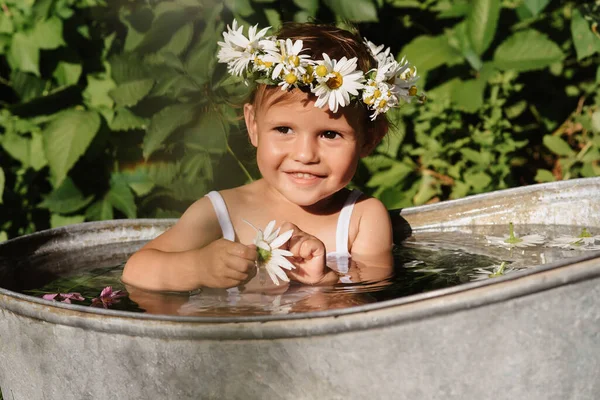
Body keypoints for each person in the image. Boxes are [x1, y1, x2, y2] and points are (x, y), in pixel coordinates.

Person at [122, 20, 421, 293]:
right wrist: (197, 267)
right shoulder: (222, 211)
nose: (305, 155)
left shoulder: (361, 217)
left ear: (369, 140)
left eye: (329, 134)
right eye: (283, 129)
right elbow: (136, 269)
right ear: (253, 126)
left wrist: (324, 278)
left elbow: (375, 295)